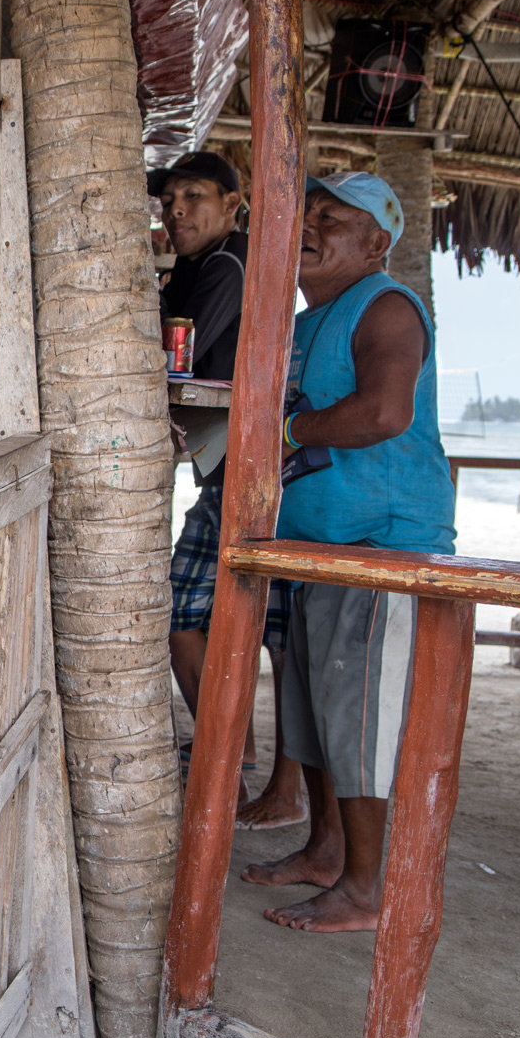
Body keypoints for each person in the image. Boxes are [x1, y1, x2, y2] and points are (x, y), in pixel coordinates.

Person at [239, 171, 455, 931]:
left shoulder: (384, 305)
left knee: (357, 719)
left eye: (333, 217)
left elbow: (385, 412)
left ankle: (367, 888)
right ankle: (327, 852)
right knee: (317, 712)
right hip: (320, 548)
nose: (312, 224)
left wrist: (289, 433)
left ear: (376, 243)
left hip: (380, 548)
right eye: (311, 212)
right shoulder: (313, 318)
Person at [151, 151, 305, 829]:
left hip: (252, 474)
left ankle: (242, 769)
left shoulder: (227, 267)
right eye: (168, 200)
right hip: (225, 472)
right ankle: (231, 758)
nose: (176, 209)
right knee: (194, 619)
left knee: (243, 626)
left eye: (193, 196)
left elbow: (164, 363)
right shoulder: (196, 268)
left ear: (235, 203)